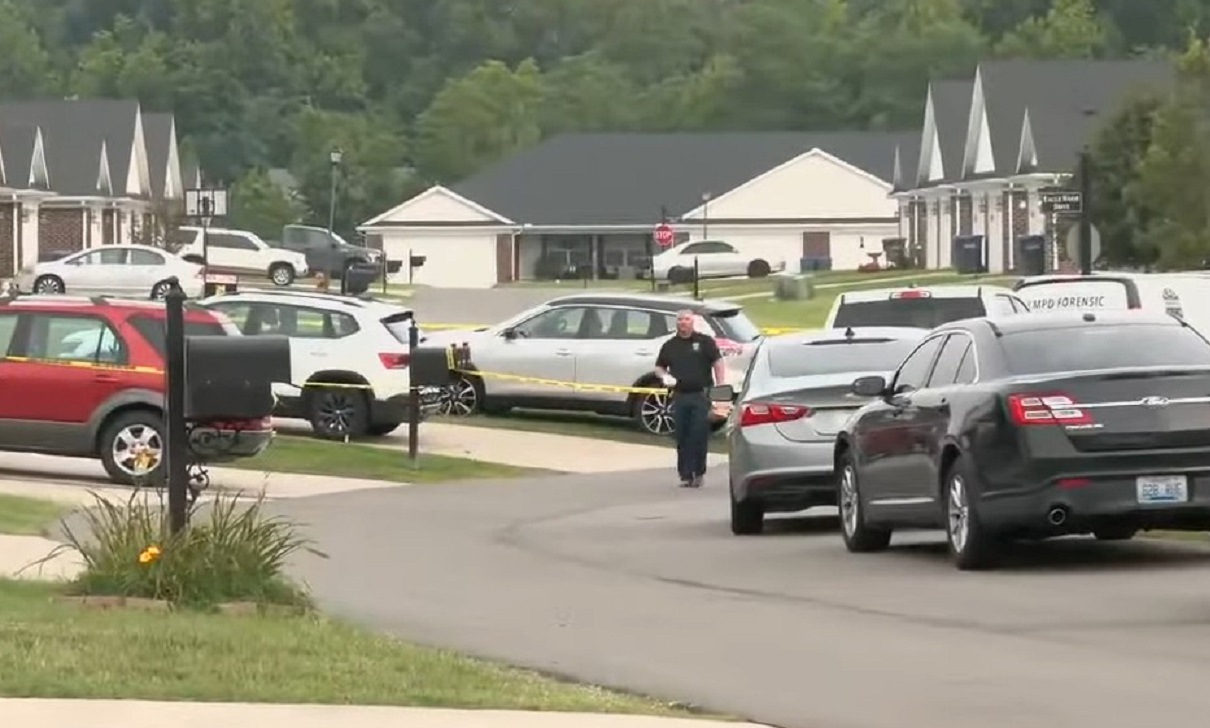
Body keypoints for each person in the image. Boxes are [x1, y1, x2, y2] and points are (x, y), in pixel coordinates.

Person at [655, 309, 727, 488]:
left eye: (686, 319)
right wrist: (664, 376)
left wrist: (720, 389)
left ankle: (698, 473)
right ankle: (685, 474)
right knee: (681, 436)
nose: (683, 323)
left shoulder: (704, 342)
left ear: (692, 321)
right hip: (679, 395)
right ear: (676, 323)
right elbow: (659, 366)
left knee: (698, 435)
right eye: (680, 320)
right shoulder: (670, 345)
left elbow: (718, 363)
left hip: (701, 395)